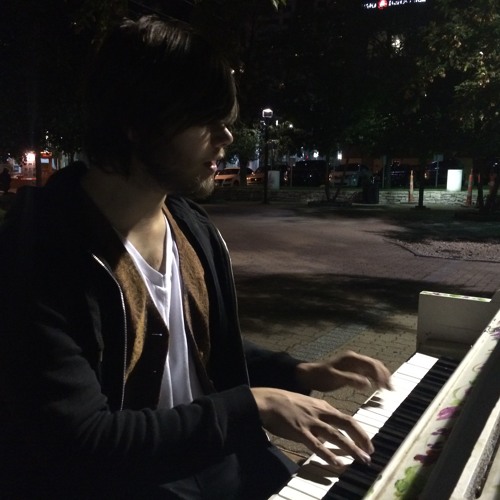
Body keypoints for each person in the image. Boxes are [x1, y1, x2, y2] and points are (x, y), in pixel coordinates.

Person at [0, 15, 392, 499]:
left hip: (217, 460)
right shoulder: (37, 251)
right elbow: (82, 442)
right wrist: (252, 406)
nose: (226, 137)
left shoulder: (190, 226)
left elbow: (193, 346)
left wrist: (295, 372)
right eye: (206, 119)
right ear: (136, 123)